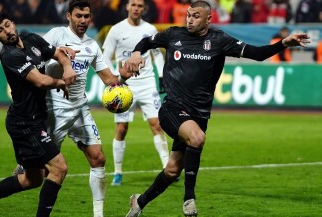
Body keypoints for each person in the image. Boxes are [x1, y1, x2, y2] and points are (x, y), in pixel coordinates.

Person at [123, 1, 309, 216]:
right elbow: (147, 41)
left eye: (195, 16)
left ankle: (139, 203)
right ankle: (189, 199)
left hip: (199, 115)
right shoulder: (174, 35)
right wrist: (137, 53)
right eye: (188, 15)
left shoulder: (220, 40)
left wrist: (283, 43)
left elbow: (258, 54)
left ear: (208, 19)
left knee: (173, 170)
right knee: (197, 138)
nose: (189, 19)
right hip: (172, 110)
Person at [0, 11, 78, 217]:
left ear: (13, 24)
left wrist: (67, 67)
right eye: (0, 31)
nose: (6, 31)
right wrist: (62, 82)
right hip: (25, 123)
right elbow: (40, 81)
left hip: (34, 119)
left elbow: (59, 54)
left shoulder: (32, 39)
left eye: (7, 25)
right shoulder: (9, 55)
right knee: (59, 168)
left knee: (32, 179)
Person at [42, 0, 134, 216]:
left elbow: (109, 79)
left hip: (79, 109)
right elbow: (34, 53)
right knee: (35, 173)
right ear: (68, 16)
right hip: (53, 111)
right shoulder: (56, 35)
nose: (83, 20)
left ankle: (98, 214)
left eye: (86, 16)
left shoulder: (92, 45)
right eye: (78, 16)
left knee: (98, 158)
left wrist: (123, 77)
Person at [102, 0, 169, 186]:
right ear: (127, 7)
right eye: (133, 4)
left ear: (144, 8)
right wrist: (113, 77)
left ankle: (167, 168)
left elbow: (157, 54)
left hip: (147, 84)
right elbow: (106, 55)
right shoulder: (116, 30)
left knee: (157, 125)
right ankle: (117, 172)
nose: (136, 8)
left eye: (140, 5)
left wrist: (162, 76)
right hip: (125, 86)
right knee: (122, 128)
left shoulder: (150, 29)